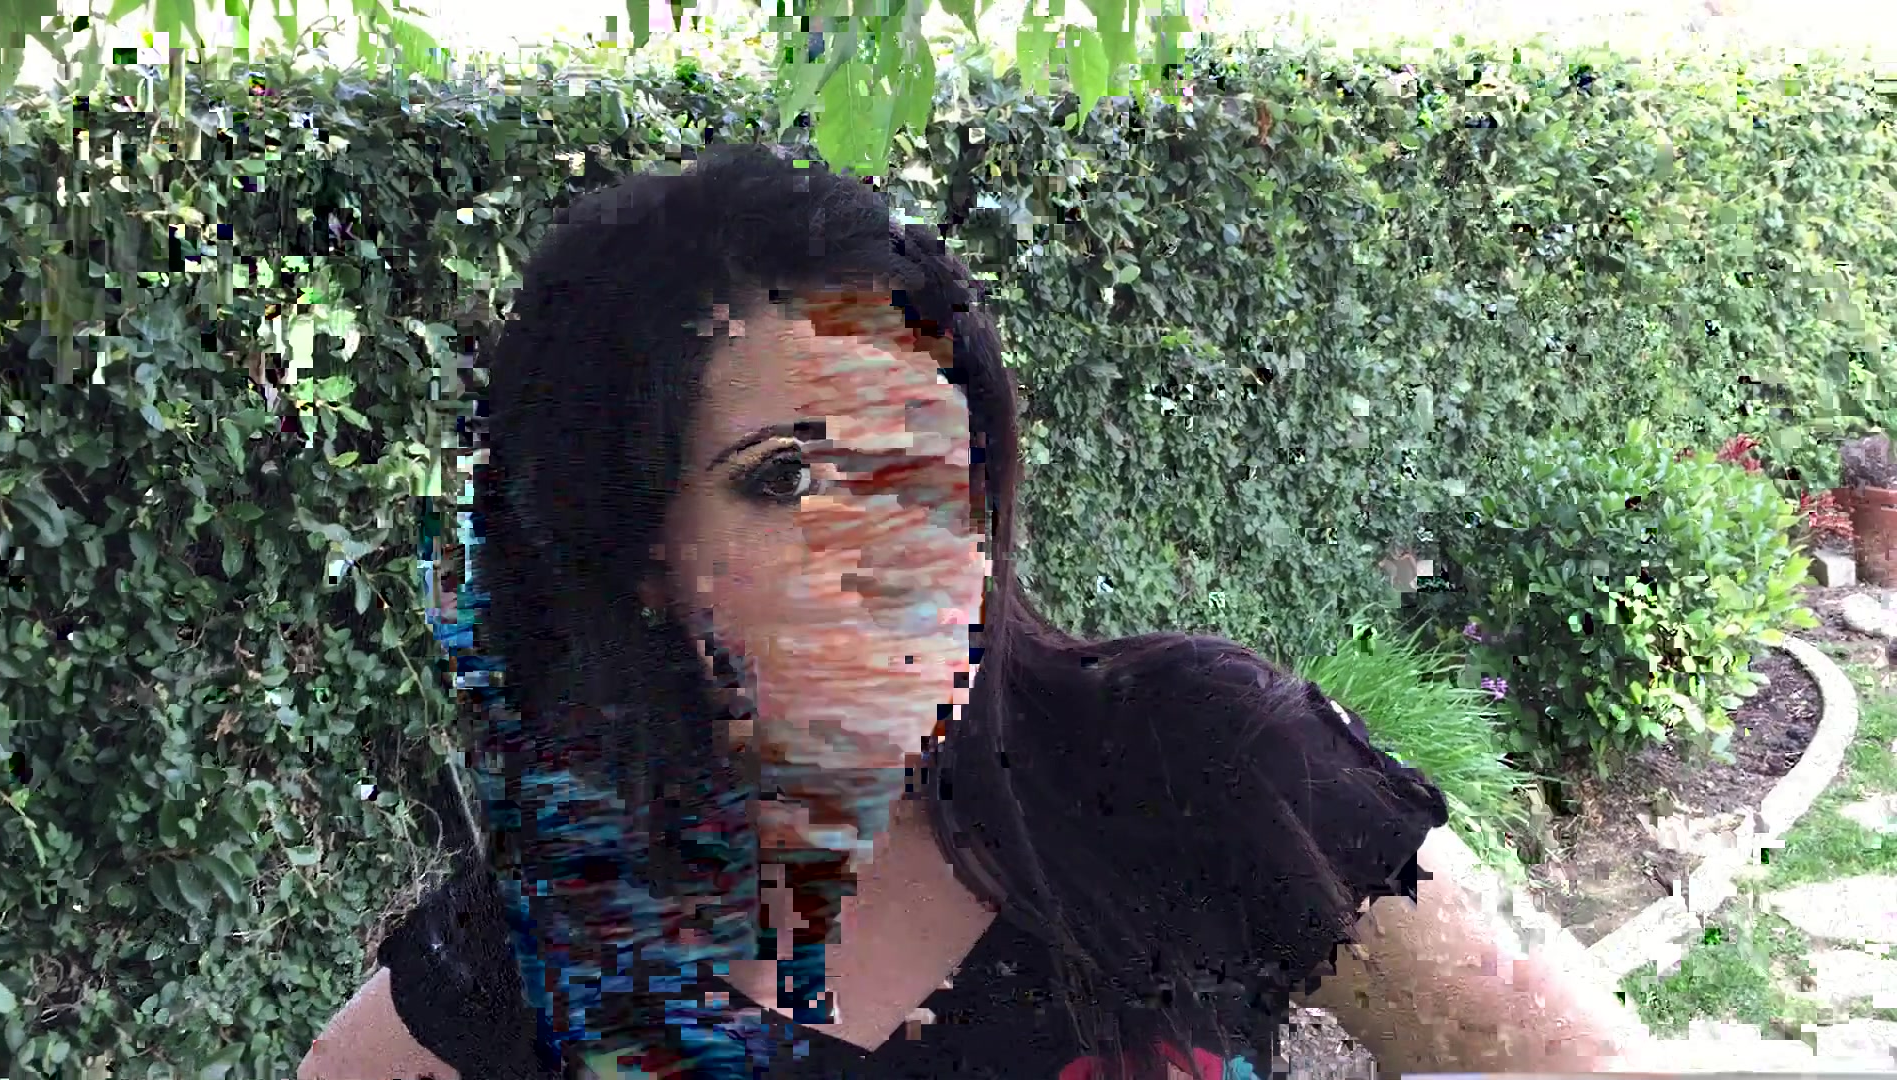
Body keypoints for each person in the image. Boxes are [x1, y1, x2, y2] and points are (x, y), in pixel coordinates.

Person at [297, 142, 1656, 1080]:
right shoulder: (545, 943)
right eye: (789, 477)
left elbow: (1556, 1053)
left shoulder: (1196, 758)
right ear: (645, 552)